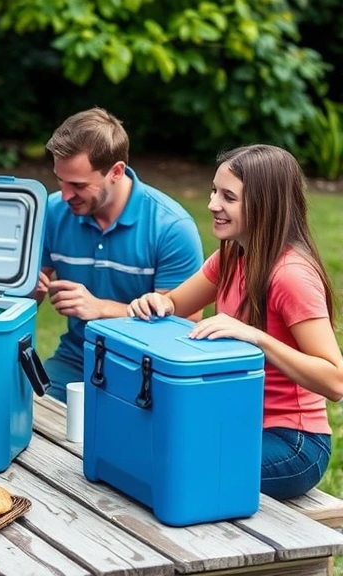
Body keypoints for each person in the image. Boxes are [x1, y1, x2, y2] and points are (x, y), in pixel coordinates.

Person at [127, 144, 343, 500]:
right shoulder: (231, 256)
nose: (212, 204)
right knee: (141, 449)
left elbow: (334, 380)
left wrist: (257, 338)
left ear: (264, 205)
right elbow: (175, 304)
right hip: (236, 421)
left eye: (228, 197)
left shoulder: (291, 276)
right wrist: (157, 302)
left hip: (294, 443)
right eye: (215, 191)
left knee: (174, 469)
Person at [35, 107, 204, 402]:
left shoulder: (171, 228)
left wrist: (101, 309)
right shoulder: (53, 212)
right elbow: (25, 300)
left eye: (77, 185)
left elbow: (185, 324)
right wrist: (28, 290)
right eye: (60, 181)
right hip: (77, 359)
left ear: (116, 171)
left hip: (146, 369)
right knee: (21, 416)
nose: (64, 195)